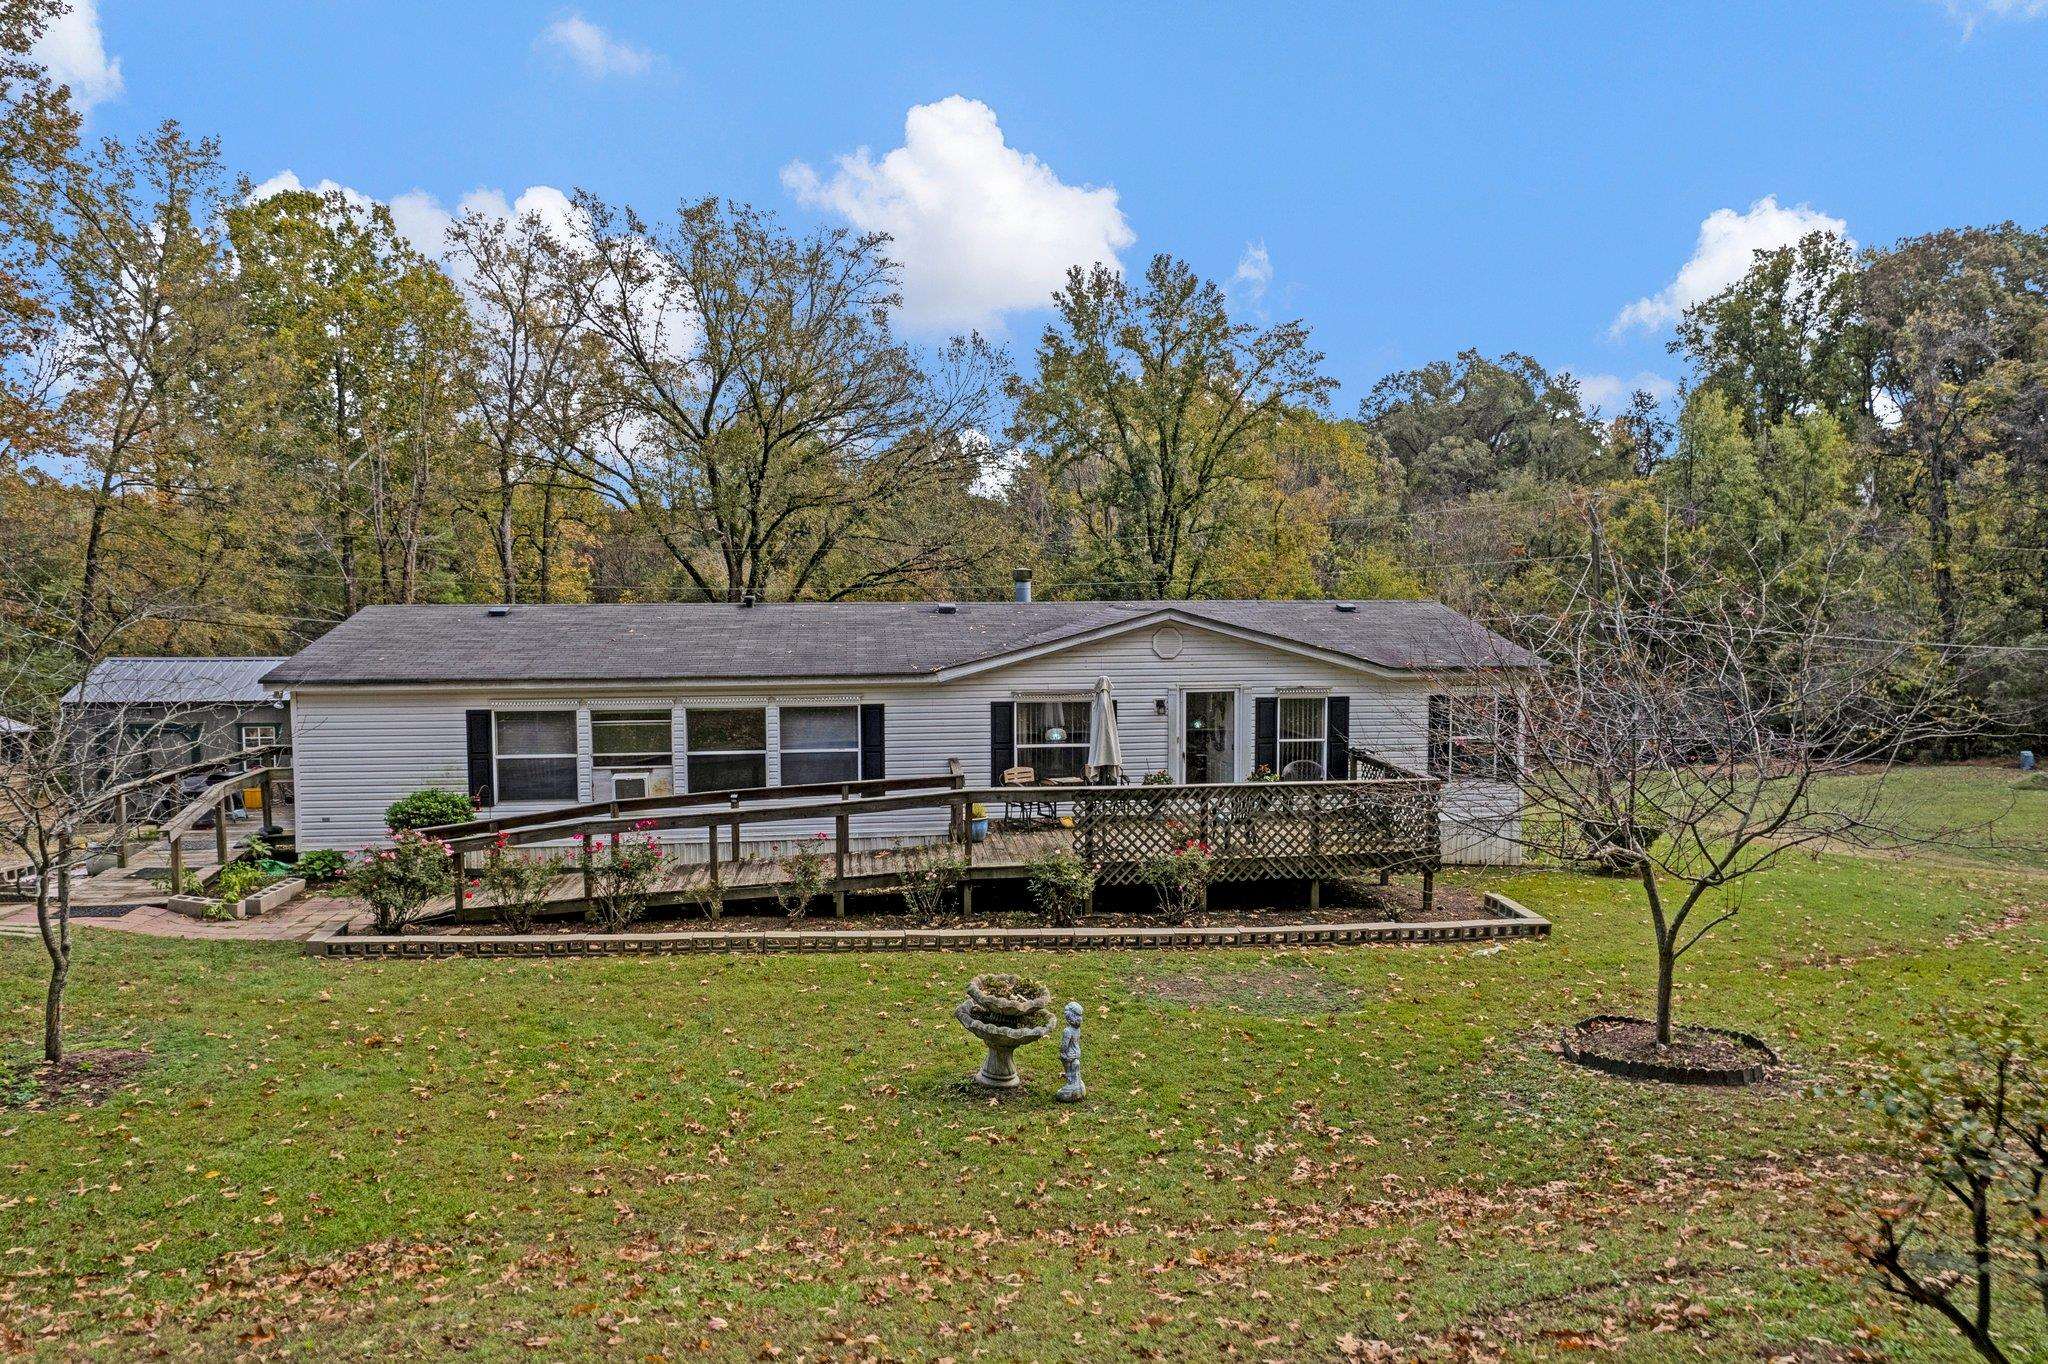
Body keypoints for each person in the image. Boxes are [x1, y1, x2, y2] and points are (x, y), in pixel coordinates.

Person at [1055, 1001, 1085, 1102]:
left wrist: (1062, 1052)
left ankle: (1071, 1086)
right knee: (1075, 1068)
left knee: (1069, 1071)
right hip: (1077, 1052)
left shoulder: (1067, 1031)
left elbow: (1065, 1044)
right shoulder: (1077, 1029)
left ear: (1069, 1017)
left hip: (1069, 1054)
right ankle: (1078, 1085)